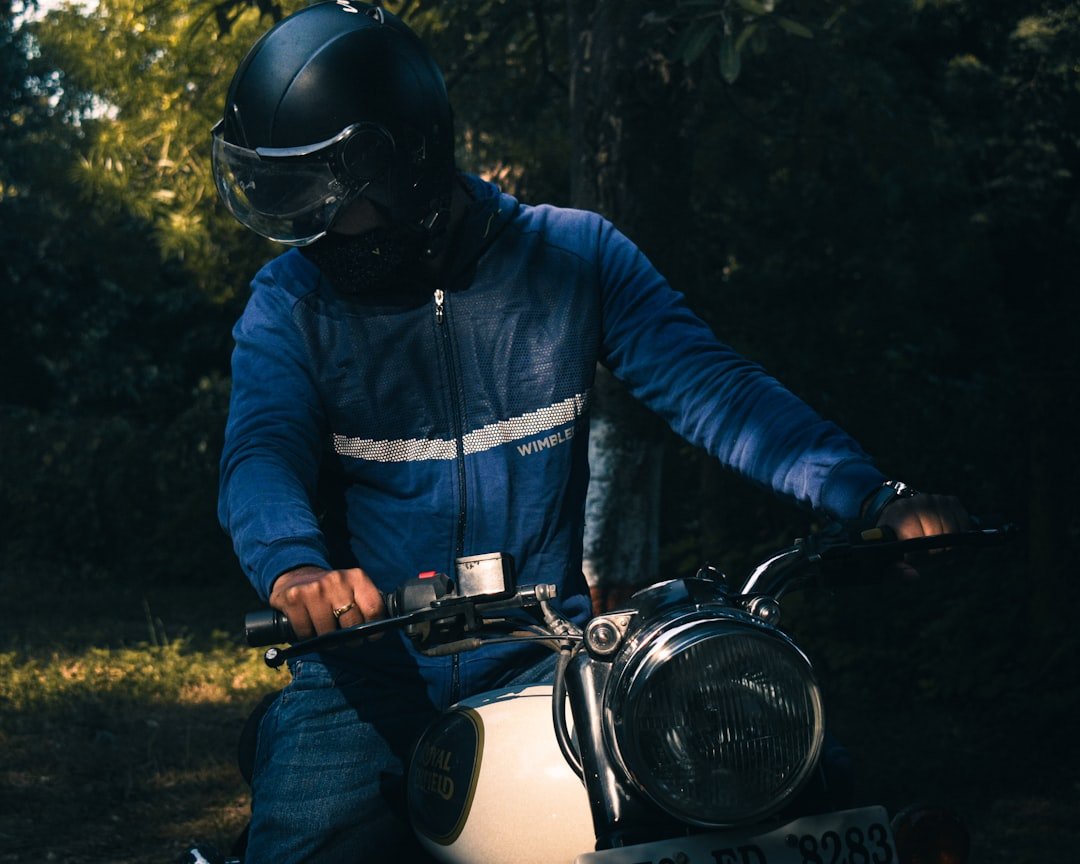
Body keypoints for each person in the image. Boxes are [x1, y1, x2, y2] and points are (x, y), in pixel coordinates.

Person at [212, 2, 968, 860]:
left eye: (324, 195)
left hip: (551, 658)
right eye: (289, 197)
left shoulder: (575, 258)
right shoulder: (291, 303)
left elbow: (713, 387)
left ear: (406, 167)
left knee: (780, 791)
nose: (309, 226)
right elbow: (260, 451)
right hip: (363, 678)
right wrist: (296, 567)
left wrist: (866, 495)